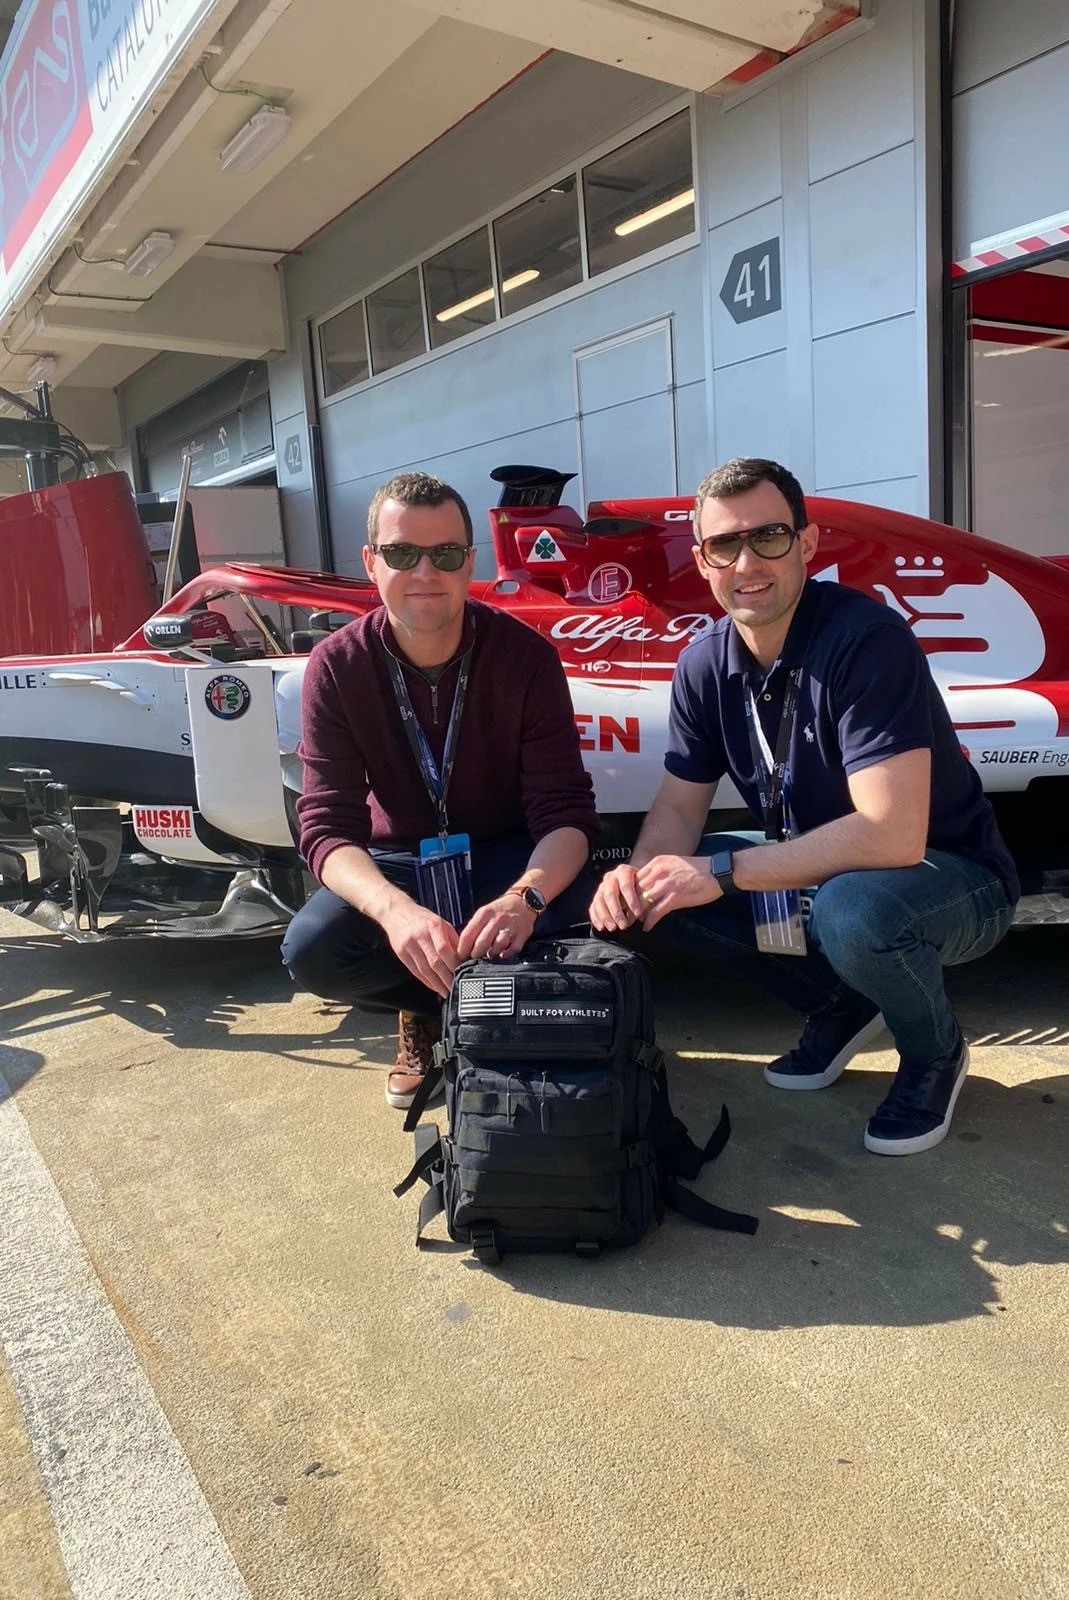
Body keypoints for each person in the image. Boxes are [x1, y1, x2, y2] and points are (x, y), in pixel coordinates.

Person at [590, 458, 1019, 1156]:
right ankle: (840, 1006)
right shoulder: (704, 664)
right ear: (702, 561)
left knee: (855, 911)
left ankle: (934, 1052)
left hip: (951, 879)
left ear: (808, 544)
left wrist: (725, 872)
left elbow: (894, 835)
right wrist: (640, 877)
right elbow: (677, 808)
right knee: (658, 890)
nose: (746, 561)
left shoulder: (865, 641)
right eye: (724, 545)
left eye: (768, 537)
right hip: (826, 873)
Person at [282, 471, 598, 1108]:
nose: (425, 570)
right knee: (314, 949)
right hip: (398, 858)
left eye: (446, 554)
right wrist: (395, 913)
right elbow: (326, 828)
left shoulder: (527, 657)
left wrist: (524, 899)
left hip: (505, 855)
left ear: (469, 563)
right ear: (372, 563)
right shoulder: (337, 665)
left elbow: (565, 812)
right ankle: (431, 1011)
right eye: (402, 553)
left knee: (591, 918)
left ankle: (482, 1012)